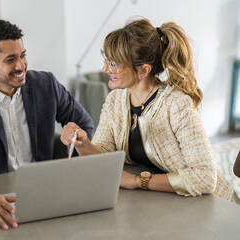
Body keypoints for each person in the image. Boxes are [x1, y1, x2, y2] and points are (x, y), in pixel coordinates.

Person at [0, 20, 94, 231]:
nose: (21, 66)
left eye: (23, 55)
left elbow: (84, 123)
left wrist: (77, 138)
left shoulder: (46, 84)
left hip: (46, 196)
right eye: (10, 59)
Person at [61, 18, 237, 202]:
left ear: (143, 71)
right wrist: (83, 143)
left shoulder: (176, 104)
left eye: (114, 64)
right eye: (106, 61)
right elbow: (104, 155)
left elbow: (206, 177)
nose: (105, 69)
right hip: (166, 204)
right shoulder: (115, 101)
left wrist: (138, 181)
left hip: (213, 205)